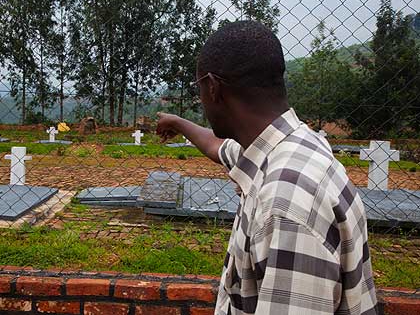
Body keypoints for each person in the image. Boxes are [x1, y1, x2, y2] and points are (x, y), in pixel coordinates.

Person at [157, 21, 377, 315]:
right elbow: (217, 147)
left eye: (199, 88)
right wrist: (177, 123)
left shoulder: (285, 206)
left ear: (213, 87)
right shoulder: (290, 147)